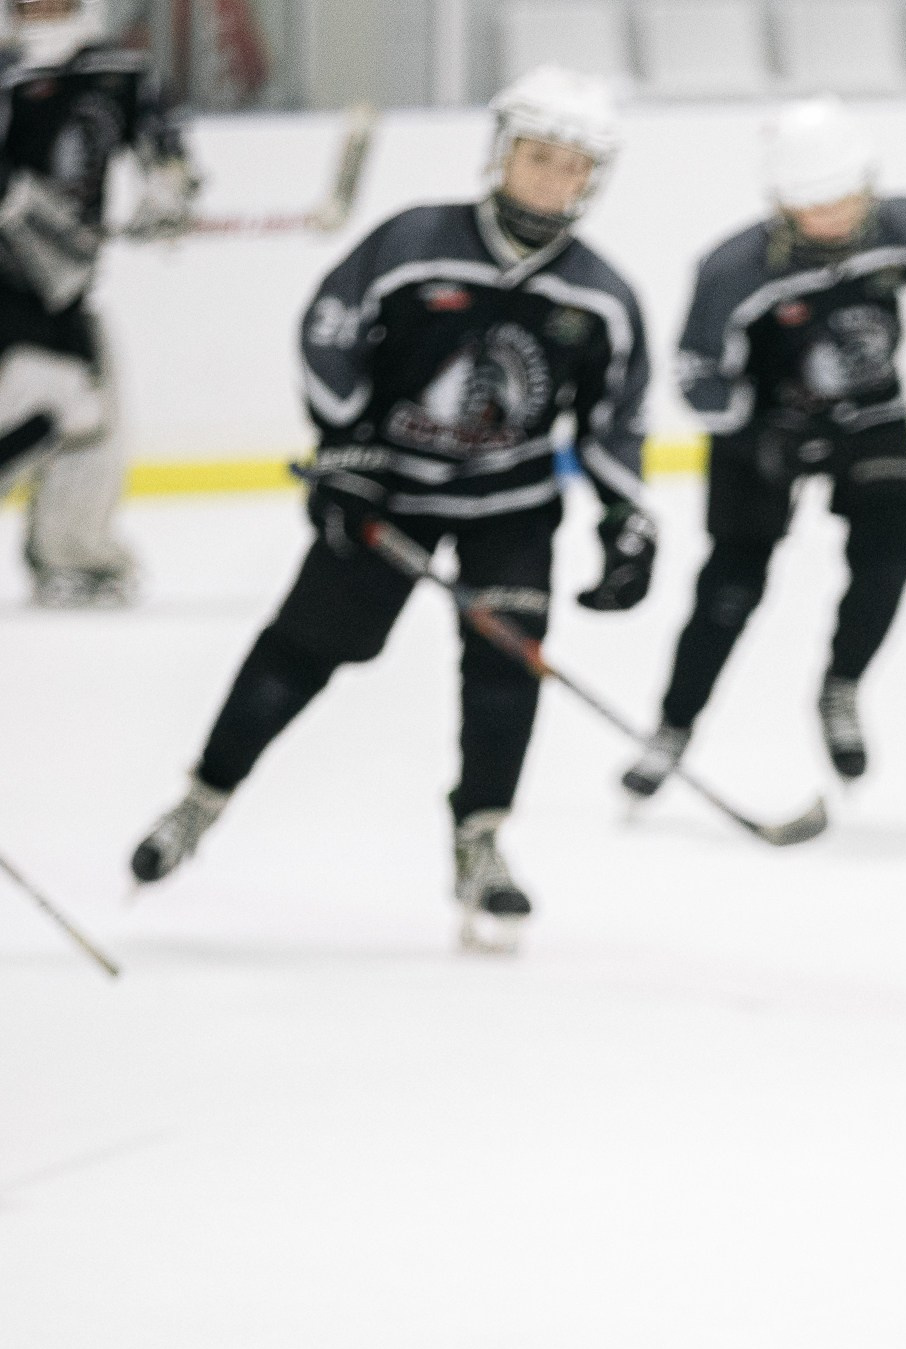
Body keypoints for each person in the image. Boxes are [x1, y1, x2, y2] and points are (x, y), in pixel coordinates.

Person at [126, 66, 656, 953]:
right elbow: (328, 332)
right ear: (500, 153)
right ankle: (201, 800)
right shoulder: (414, 241)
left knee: (505, 667)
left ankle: (480, 840)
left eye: (573, 165)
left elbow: (617, 416)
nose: (551, 179)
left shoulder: (599, 294)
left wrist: (625, 517)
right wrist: (346, 450)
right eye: (536, 156)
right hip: (390, 489)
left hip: (510, 505)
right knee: (302, 648)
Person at [618, 98, 906, 798]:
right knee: (732, 584)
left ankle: (841, 686)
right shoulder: (734, 269)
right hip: (762, 428)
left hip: (870, 414)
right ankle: (673, 725)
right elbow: (696, 374)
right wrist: (753, 433)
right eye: (816, 207)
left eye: (847, 201)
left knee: (890, 554)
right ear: (781, 203)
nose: (836, 222)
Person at [0, 0, 196, 608]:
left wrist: (169, 192)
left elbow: (163, 146)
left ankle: (72, 554)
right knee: (59, 398)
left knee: (96, 419)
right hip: (6, 288)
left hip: (61, 291)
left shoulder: (119, 71)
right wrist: (31, 214)